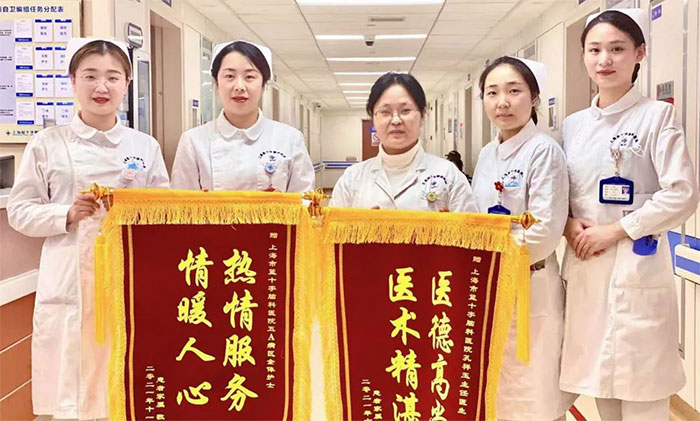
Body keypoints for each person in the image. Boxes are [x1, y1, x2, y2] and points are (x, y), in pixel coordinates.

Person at [7, 38, 170, 420]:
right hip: (69, 275)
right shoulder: (47, 144)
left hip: (129, 273)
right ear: (73, 81)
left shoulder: (145, 146)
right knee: (72, 388)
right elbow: (19, 211)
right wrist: (66, 214)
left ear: (127, 84)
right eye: (90, 76)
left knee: (125, 380)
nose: (101, 87)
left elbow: (164, 209)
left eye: (112, 77)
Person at [560, 9, 699, 420]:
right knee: (599, 387)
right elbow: (561, 193)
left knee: (643, 396)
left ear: (639, 53)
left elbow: (682, 194)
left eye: (617, 49)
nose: (604, 59)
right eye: (595, 50)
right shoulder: (573, 126)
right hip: (587, 270)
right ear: (584, 56)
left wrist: (616, 230)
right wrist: (568, 224)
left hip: (637, 266)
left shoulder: (657, 116)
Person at [471, 56, 573, 421]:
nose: (502, 102)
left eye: (514, 91)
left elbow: (545, 230)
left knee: (535, 393)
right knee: (498, 390)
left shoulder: (544, 151)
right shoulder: (488, 154)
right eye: (492, 92)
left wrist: (491, 255)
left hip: (530, 283)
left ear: (534, 98)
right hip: (490, 285)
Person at [171, 40, 314, 192]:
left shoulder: (290, 139)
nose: (239, 86)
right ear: (216, 83)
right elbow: (181, 202)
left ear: (263, 85)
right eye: (229, 76)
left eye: (249, 77)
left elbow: (303, 200)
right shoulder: (193, 141)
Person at [329, 72, 477, 212]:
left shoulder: (450, 175)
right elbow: (331, 228)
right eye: (385, 112)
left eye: (405, 111)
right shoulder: (352, 179)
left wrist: (446, 227)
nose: (396, 120)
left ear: (422, 116)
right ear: (373, 118)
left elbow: (472, 228)